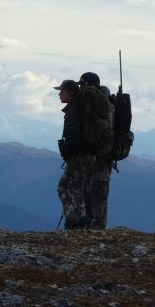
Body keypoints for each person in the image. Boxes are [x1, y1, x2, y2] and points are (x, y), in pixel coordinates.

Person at [54, 79, 92, 230]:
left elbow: (73, 136)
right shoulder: (78, 109)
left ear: (69, 93)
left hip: (77, 158)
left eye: (61, 91)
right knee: (74, 188)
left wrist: (68, 152)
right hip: (83, 157)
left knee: (66, 188)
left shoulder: (74, 111)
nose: (59, 94)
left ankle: (76, 221)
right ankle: (77, 220)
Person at [78, 71, 113, 230]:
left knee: (94, 190)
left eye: (83, 85)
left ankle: (96, 226)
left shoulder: (100, 105)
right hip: (103, 155)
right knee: (96, 190)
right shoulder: (106, 104)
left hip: (98, 154)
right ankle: (95, 225)